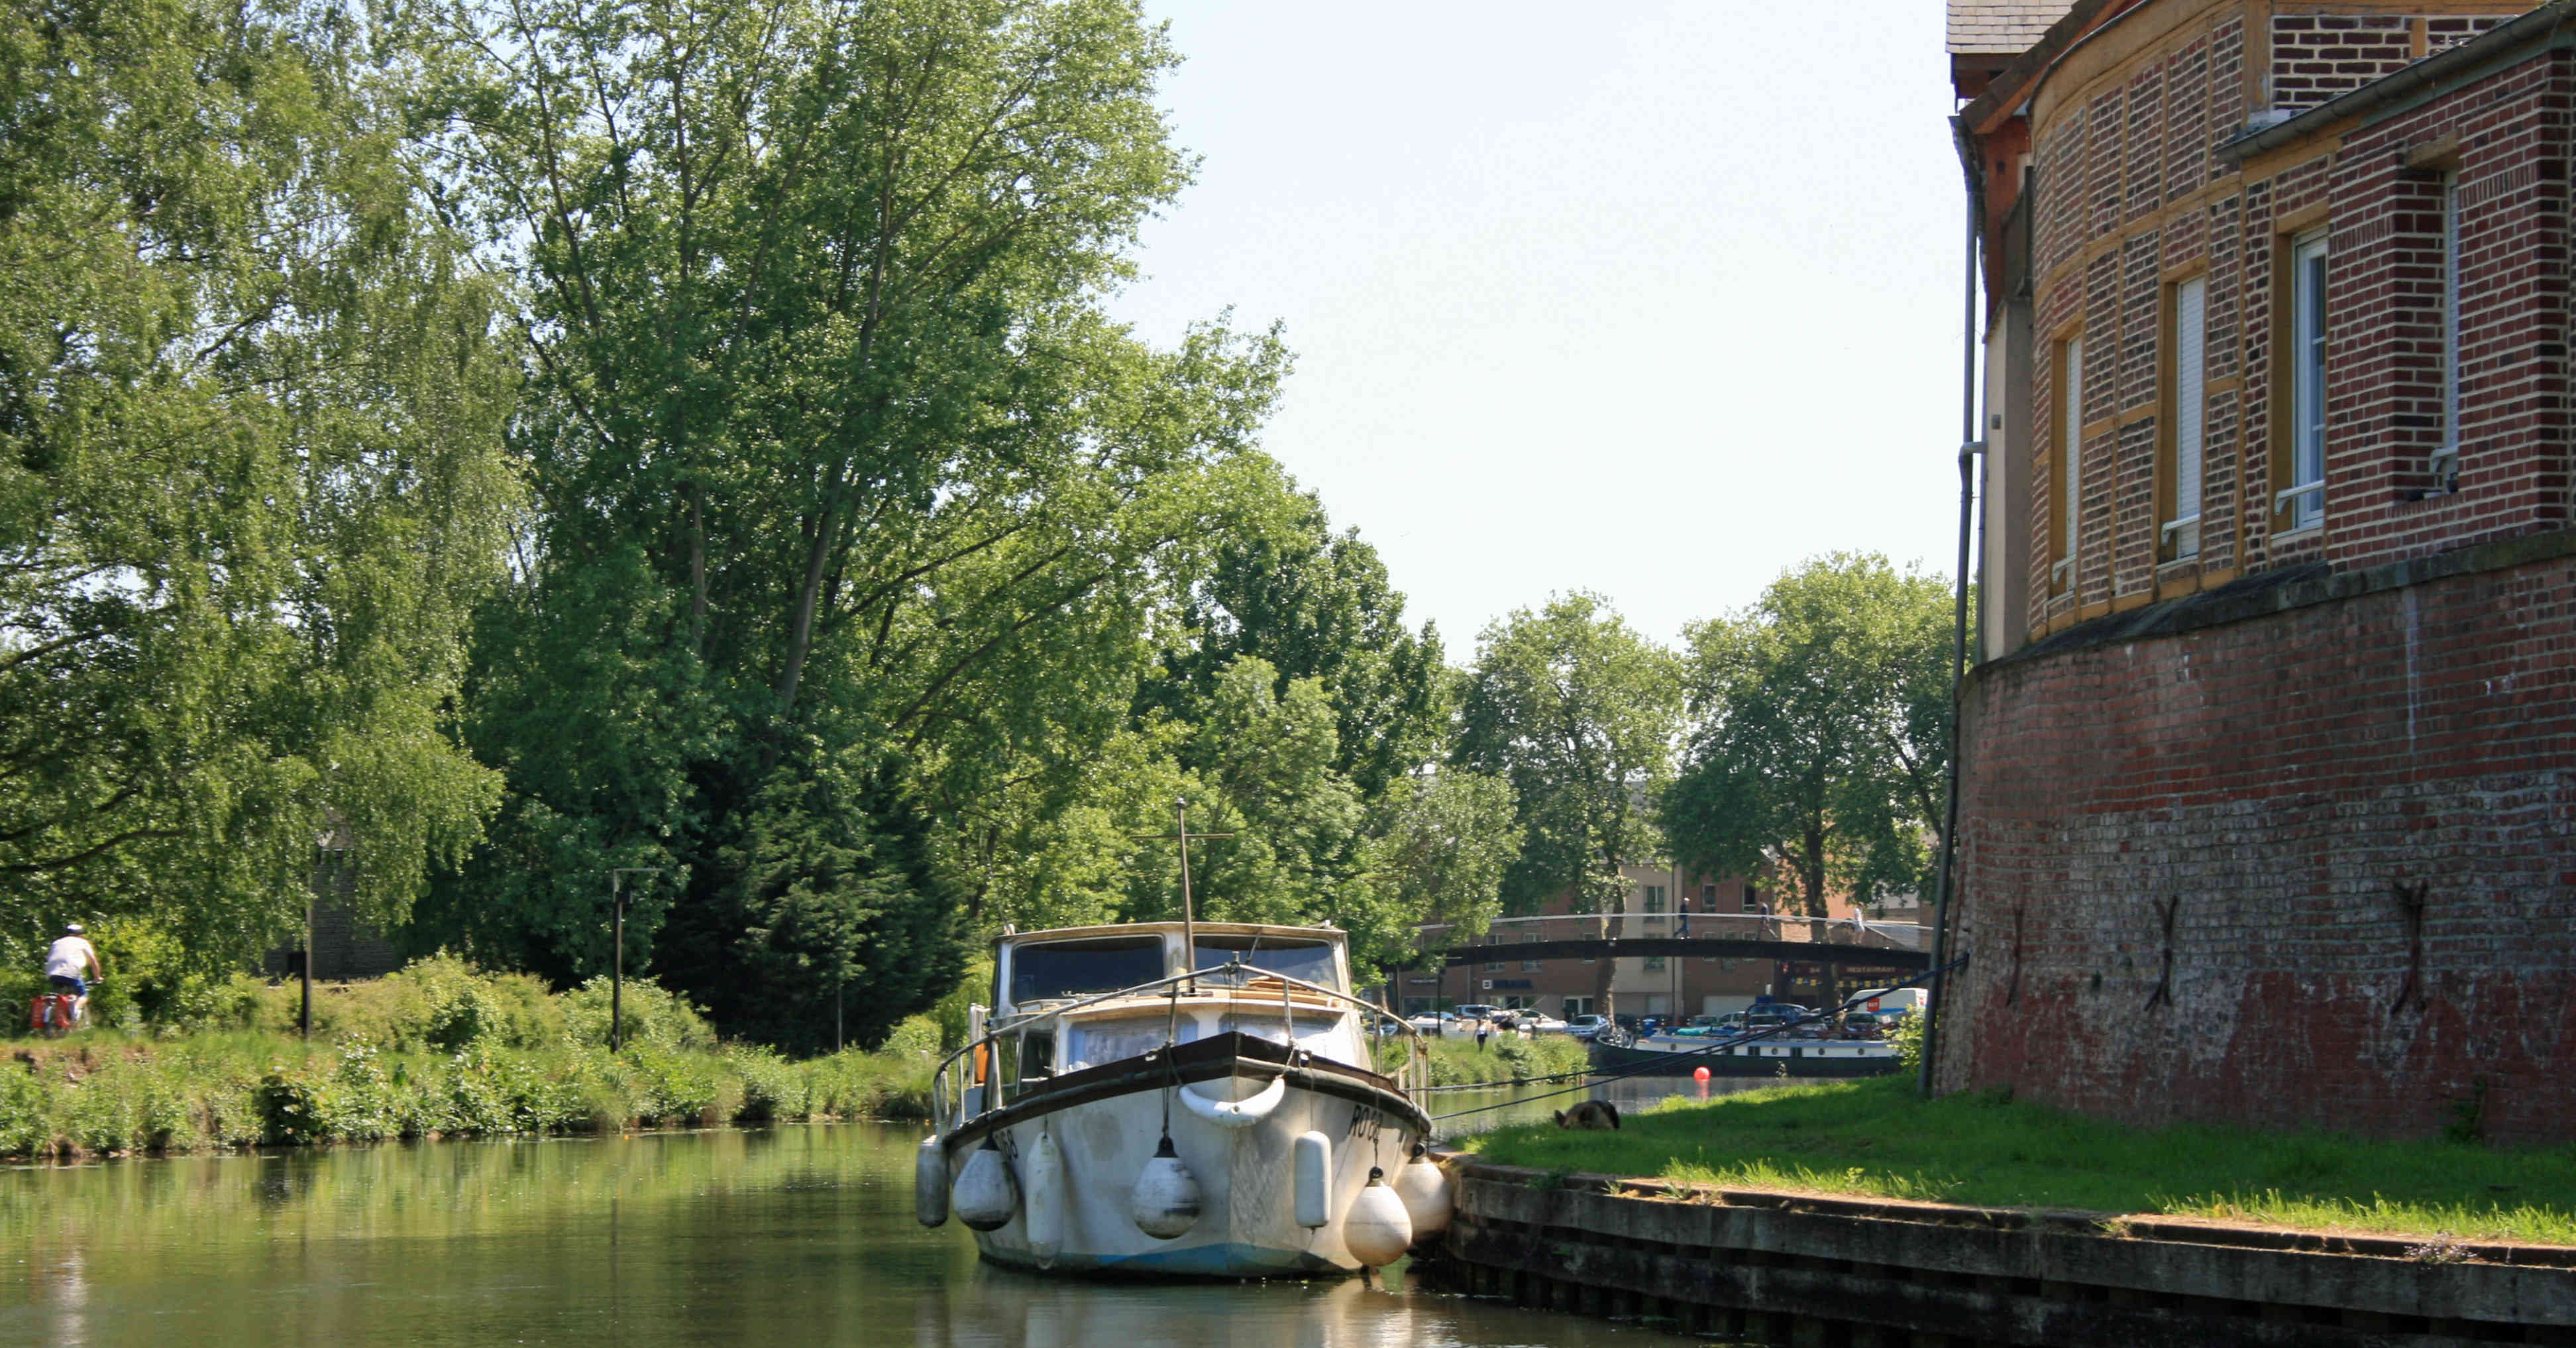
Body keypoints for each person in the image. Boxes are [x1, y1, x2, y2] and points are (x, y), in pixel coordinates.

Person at [44, 923, 102, 1025]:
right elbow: (93, 961)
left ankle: (57, 1023)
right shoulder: (82, 942)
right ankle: (75, 1008)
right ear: (80, 934)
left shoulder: (56, 942)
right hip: (71, 973)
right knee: (83, 995)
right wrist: (97, 977)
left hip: (52, 973)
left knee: (59, 996)